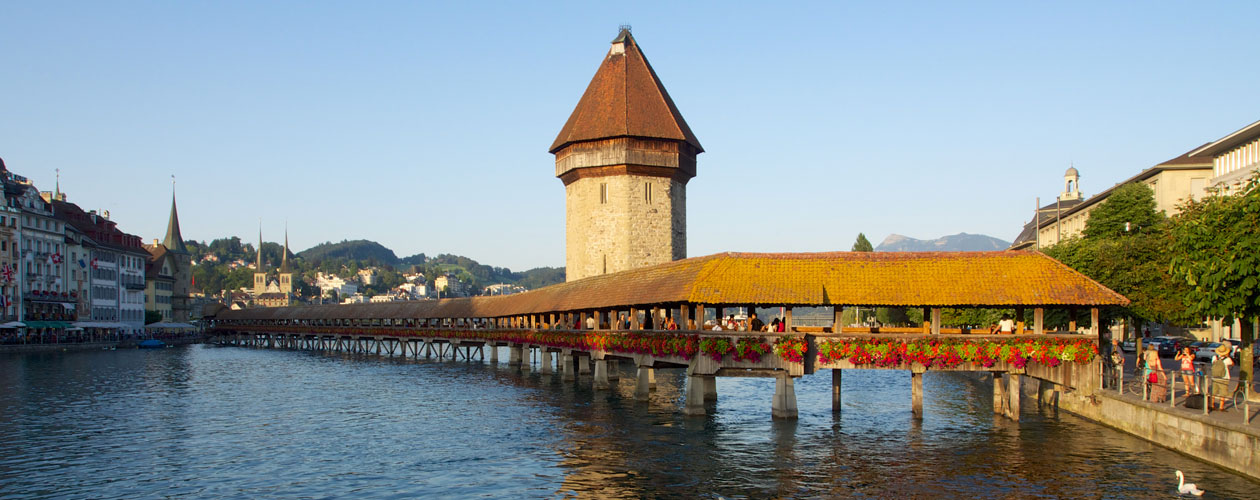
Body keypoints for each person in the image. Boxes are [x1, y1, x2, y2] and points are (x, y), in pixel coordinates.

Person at [1210, 341, 1234, 411]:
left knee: (1213, 392)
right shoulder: (1227, 359)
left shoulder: (1214, 357)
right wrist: (1228, 356)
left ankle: (1212, 405)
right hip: (1224, 377)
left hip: (1215, 377)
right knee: (1223, 393)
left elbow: (1213, 364)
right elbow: (1232, 364)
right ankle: (1221, 407)